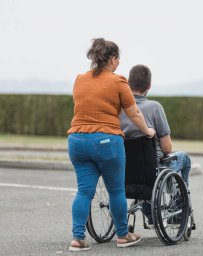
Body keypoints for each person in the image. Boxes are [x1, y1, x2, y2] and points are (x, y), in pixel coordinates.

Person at [67, 39, 155, 252]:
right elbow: (134, 113)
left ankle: (77, 238)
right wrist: (148, 131)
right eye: (118, 59)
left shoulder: (79, 80)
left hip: (77, 140)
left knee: (84, 192)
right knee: (116, 190)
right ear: (113, 59)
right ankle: (123, 235)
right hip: (106, 141)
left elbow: (83, 108)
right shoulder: (118, 82)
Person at [119, 64, 192, 224]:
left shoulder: (118, 108)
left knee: (146, 167)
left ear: (128, 84)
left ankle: (151, 214)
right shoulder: (154, 107)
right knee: (184, 159)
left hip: (124, 170)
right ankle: (178, 207)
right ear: (149, 86)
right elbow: (167, 148)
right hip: (152, 170)